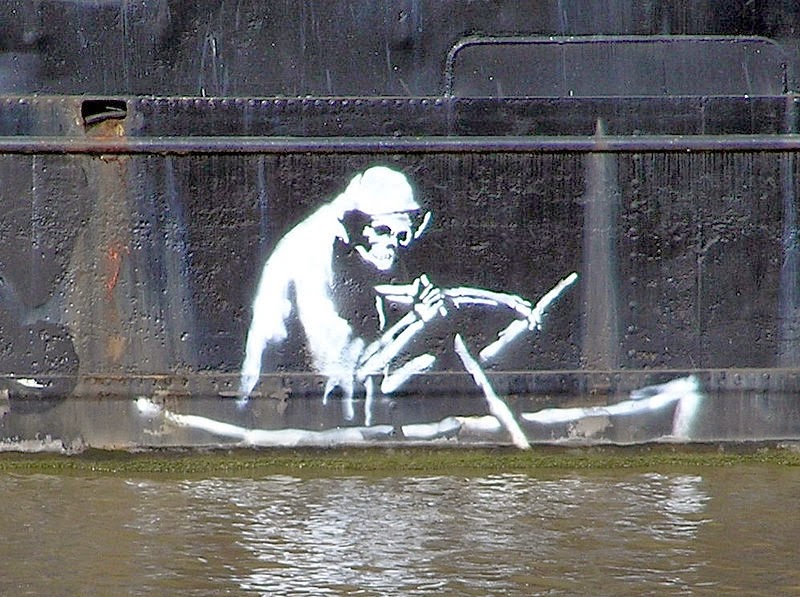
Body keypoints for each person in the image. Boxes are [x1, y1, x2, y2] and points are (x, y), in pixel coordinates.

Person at [238, 165, 435, 414]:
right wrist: (417, 322)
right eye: (383, 232)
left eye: (402, 235)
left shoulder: (348, 241)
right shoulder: (311, 253)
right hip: (291, 407)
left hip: (310, 398)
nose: (392, 245)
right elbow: (339, 367)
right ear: (355, 221)